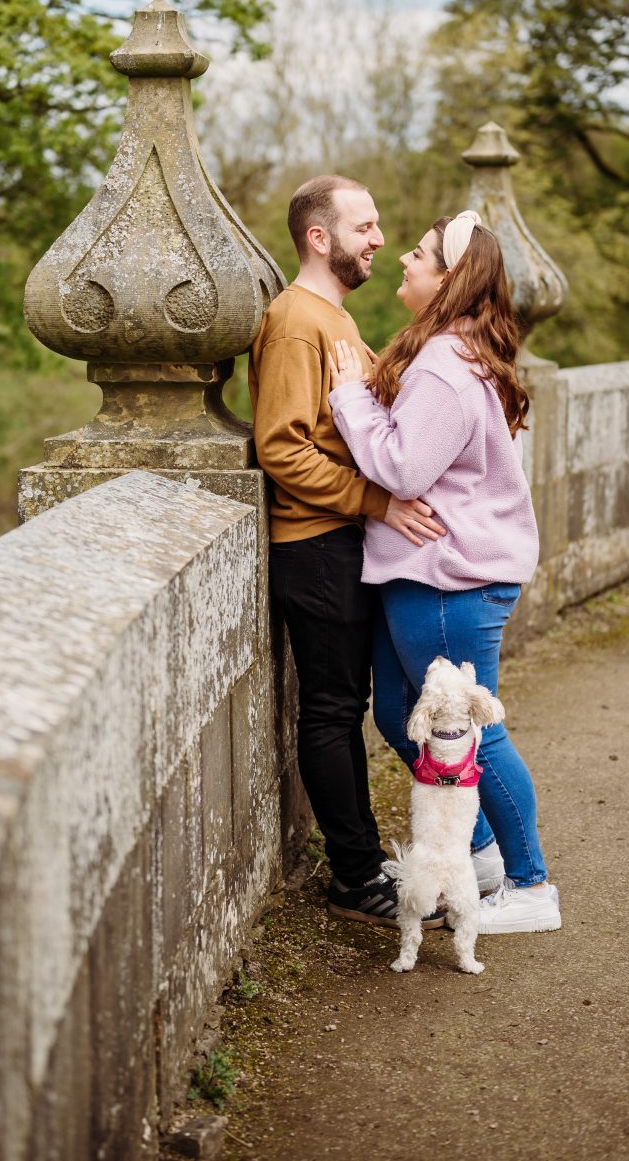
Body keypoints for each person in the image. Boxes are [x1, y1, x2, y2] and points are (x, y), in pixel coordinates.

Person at [326, 210, 561, 934]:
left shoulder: (443, 367)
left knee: (472, 732)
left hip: (449, 579)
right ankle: (482, 855)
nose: (403, 257)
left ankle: (530, 885)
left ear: (448, 278)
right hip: (432, 574)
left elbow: (401, 466)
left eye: (421, 254)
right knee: (399, 715)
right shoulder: (448, 353)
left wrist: (351, 398)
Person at [249, 174, 446, 928]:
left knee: (348, 706)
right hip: (317, 543)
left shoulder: (333, 319)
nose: (379, 240)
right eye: (364, 226)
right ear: (318, 237)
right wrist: (376, 501)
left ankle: (363, 862)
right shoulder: (299, 321)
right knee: (332, 709)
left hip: (344, 541)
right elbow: (281, 447)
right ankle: (355, 876)